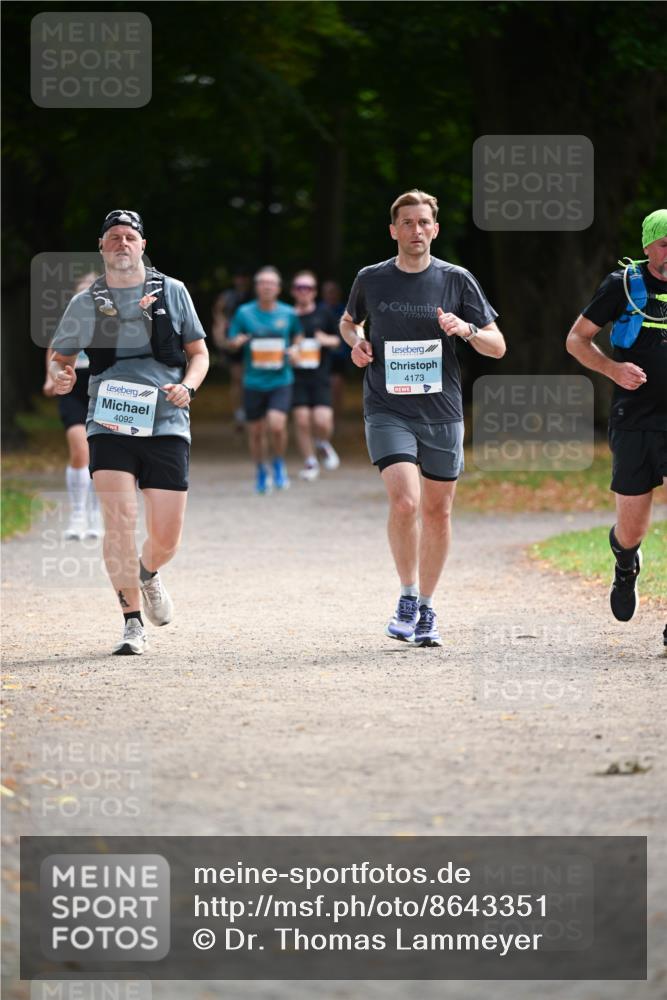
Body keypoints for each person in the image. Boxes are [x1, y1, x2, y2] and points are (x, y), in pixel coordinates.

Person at [340, 189, 505, 647]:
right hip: (388, 406)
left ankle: (428, 607)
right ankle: (407, 596)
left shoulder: (457, 280)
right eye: (407, 223)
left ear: (435, 228)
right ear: (394, 231)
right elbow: (349, 321)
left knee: (438, 510)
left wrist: (466, 329)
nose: (416, 230)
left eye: (424, 222)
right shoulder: (372, 278)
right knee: (406, 502)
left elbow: (498, 344)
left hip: (442, 412)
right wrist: (356, 342)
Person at [50, 210, 209, 655]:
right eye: (113, 237)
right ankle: (131, 622)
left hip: (166, 422)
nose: (122, 244)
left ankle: (149, 571)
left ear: (142, 245)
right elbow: (61, 359)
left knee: (167, 536)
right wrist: (62, 376)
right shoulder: (85, 303)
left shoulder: (172, 291)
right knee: (119, 520)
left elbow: (199, 353)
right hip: (110, 420)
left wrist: (188, 386)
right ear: (101, 247)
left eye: (130, 237)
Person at [566, 208, 667, 651]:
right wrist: (612, 370)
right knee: (632, 528)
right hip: (635, 421)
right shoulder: (622, 286)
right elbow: (576, 339)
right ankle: (626, 563)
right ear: (648, 246)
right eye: (666, 243)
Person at [227, 266, 302, 494]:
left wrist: (296, 350)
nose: (267, 286)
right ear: (257, 287)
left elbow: (298, 336)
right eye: (262, 282)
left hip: (281, 379)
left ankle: (278, 462)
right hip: (253, 381)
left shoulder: (289, 313)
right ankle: (261, 469)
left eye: (271, 283)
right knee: (257, 431)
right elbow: (231, 339)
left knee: (277, 426)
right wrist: (236, 341)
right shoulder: (244, 313)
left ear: (279, 288)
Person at [43, 271, 103, 540]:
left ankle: (97, 512)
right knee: (80, 449)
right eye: (82, 290)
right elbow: (54, 350)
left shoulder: (110, 322)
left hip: (102, 388)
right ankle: (78, 513)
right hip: (71, 386)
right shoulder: (68, 321)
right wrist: (50, 377)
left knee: (102, 453)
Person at [290, 270, 341, 481]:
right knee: (302, 420)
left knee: (323, 421)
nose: (304, 292)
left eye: (308, 288)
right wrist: (291, 350)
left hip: (320, 375)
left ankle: (322, 442)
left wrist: (326, 340)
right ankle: (310, 461)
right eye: (300, 287)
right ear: (293, 291)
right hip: (295, 376)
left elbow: (339, 339)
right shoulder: (288, 315)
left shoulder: (324, 313)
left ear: (314, 291)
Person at [211, 267, 253, 428]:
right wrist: (221, 331)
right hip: (234, 340)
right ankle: (239, 413)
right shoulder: (227, 296)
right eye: (238, 277)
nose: (241, 281)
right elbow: (217, 312)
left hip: (251, 339)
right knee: (237, 378)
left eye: (244, 277)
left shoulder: (254, 296)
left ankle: (251, 410)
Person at [322, 279, 352, 422]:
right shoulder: (318, 310)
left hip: (339, 356)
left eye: (334, 292)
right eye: (328, 292)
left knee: (337, 388)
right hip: (321, 357)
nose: (331, 295)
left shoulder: (346, 311)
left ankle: (336, 418)